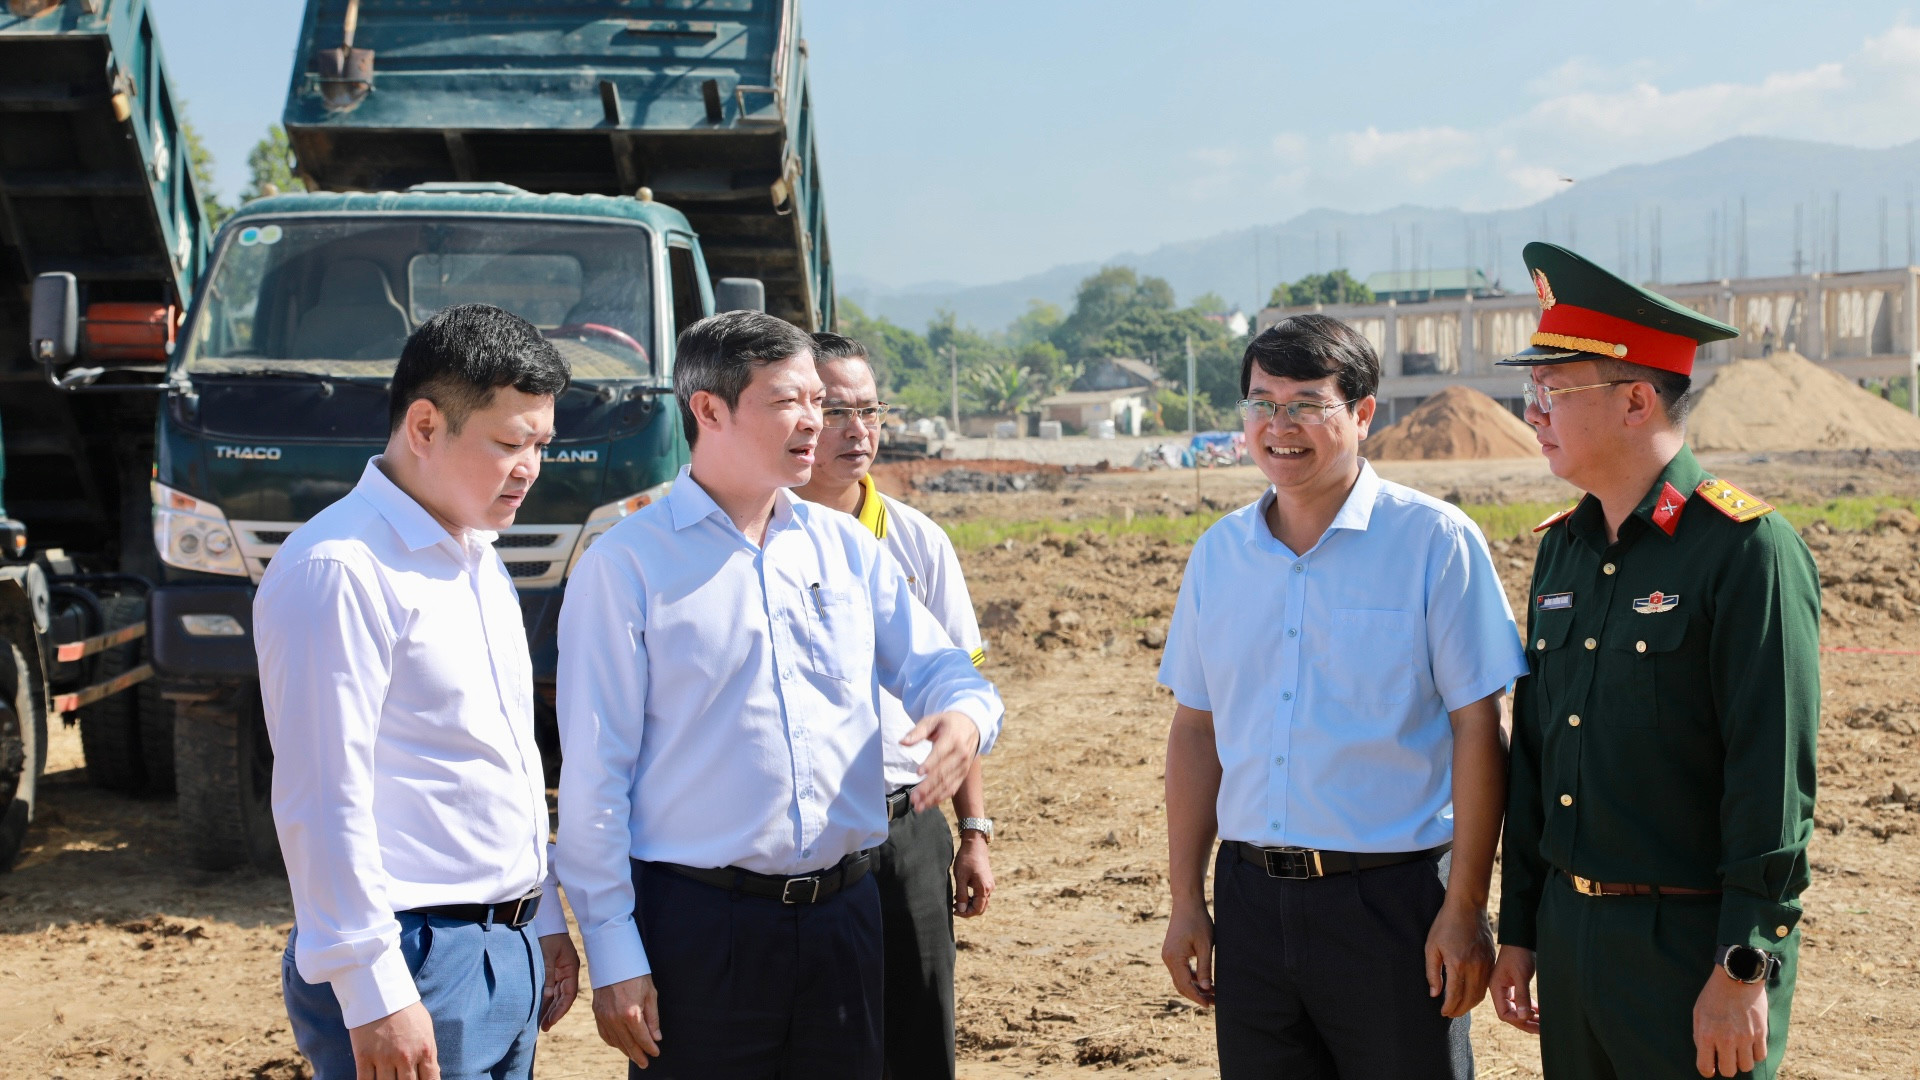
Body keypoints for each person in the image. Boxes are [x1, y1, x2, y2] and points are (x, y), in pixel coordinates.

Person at [554, 310, 1004, 1079]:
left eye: (817, 403)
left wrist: (966, 715)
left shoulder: (847, 549)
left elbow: (943, 667)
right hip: (702, 931)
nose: (813, 422)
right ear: (709, 409)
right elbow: (597, 780)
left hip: (846, 919)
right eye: (787, 400)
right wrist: (614, 950)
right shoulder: (627, 567)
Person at [1158, 313, 1527, 1078]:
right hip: (1252, 902)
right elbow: (1196, 731)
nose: (1279, 426)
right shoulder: (1219, 555)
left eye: (1306, 405)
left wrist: (1464, 908)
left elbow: (1478, 730)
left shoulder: (1434, 542)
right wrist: (1187, 900)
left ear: (1362, 414)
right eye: (1262, 403)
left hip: (1390, 905)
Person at [1488, 242, 1820, 1080]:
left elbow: (1771, 777)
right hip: (1572, 938)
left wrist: (1744, 963)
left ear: (1636, 399)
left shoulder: (1745, 551)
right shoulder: (1562, 552)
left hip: (1691, 953)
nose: (1532, 414)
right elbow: (1537, 755)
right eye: (1533, 392)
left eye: (1551, 391)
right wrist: (1521, 926)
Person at [255, 303, 580, 1080]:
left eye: (541, 444)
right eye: (509, 442)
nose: (529, 467)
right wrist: (375, 994)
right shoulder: (339, 569)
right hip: (413, 958)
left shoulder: (478, 559)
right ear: (425, 425)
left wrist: (542, 915)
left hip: (500, 948)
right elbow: (321, 800)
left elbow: (502, 760)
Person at [793, 330, 995, 1080]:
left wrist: (972, 830)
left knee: (918, 1029)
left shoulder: (918, 542)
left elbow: (965, 699)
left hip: (907, 827)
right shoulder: (752, 536)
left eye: (870, 411)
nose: (858, 431)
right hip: (802, 837)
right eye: (836, 410)